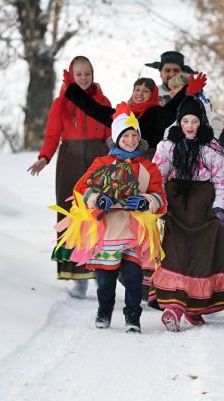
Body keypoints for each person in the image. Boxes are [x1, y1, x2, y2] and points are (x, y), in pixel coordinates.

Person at [56, 102, 167, 333]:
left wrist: (147, 200)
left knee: (133, 276)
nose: (130, 140)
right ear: (117, 138)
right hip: (108, 229)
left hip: (134, 231)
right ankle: (104, 309)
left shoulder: (147, 166)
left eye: (134, 135)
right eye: (125, 136)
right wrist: (97, 199)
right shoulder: (102, 163)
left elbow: (160, 197)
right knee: (105, 279)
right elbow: (81, 189)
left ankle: (132, 316)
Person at [27, 55, 111, 299]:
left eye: (87, 74)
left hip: (98, 159)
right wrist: (44, 157)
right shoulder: (60, 103)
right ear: (72, 76)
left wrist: (112, 145)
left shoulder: (103, 101)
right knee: (72, 213)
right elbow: (53, 134)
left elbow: (110, 130)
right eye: (79, 74)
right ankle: (77, 276)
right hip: (70, 159)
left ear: (93, 75)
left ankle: (100, 273)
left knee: (100, 213)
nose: (83, 78)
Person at [149, 95, 224, 332]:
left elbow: (222, 182)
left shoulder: (211, 148)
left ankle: (193, 308)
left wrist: (219, 208)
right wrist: (160, 202)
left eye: (194, 121)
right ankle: (174, 307)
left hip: (203, 207)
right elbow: (158, 175)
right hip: (177, 206)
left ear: (202, 121)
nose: (189, 126)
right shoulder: (168, 146)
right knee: (177, 254)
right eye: (185, 121)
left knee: (201, 256)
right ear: (179, 121)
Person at [64, 74, 206, 160]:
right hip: (123, 161)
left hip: (148, 160)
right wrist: (72, 89)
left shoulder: (156, 112)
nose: (140, 93)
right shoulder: (123, 115)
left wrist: (187, 91)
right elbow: (95, 109)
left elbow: (173, 107)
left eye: (145, 91)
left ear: (153, 95)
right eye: (137, 89)